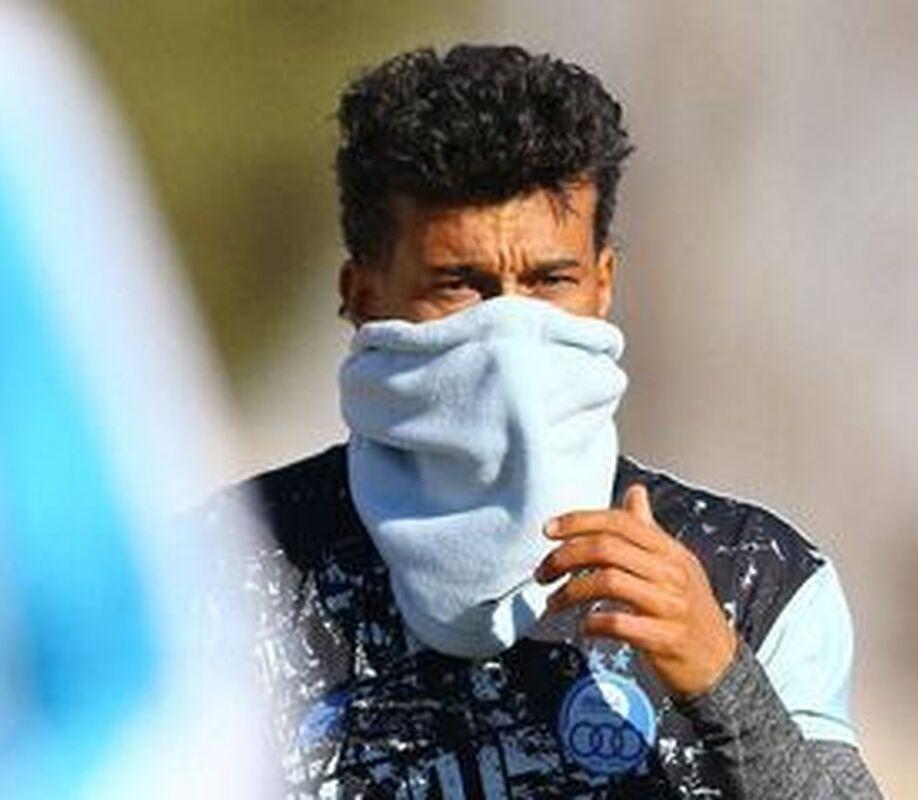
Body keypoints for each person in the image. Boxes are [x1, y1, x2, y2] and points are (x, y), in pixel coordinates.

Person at [195, 44, 883, 798]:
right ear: (363, 296)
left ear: (602, 285)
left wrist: (722, 679)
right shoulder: (212, 576)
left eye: (550, 280)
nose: (511, 332)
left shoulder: (753, 579)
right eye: (460, 285)